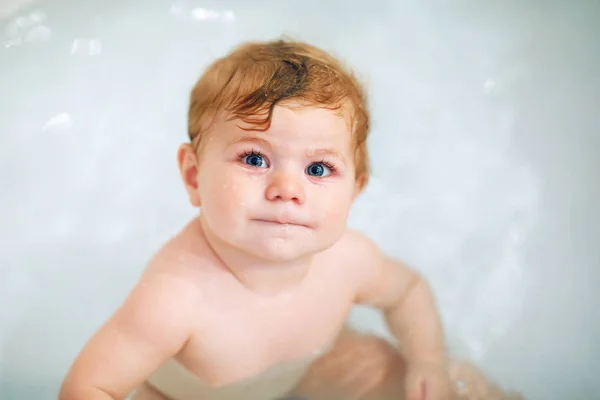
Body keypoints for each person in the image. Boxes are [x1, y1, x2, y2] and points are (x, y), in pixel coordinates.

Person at [59, 38, 523, 400]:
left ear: (355, 190)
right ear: (194, 176)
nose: (288, 188)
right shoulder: (174, 298)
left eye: (318, 169)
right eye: (255, 159)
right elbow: (89, 387)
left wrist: (429, 363)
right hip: (186, 396)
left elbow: (407, 291)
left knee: (421, 384)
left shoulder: (349, 260)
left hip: (316, 362)